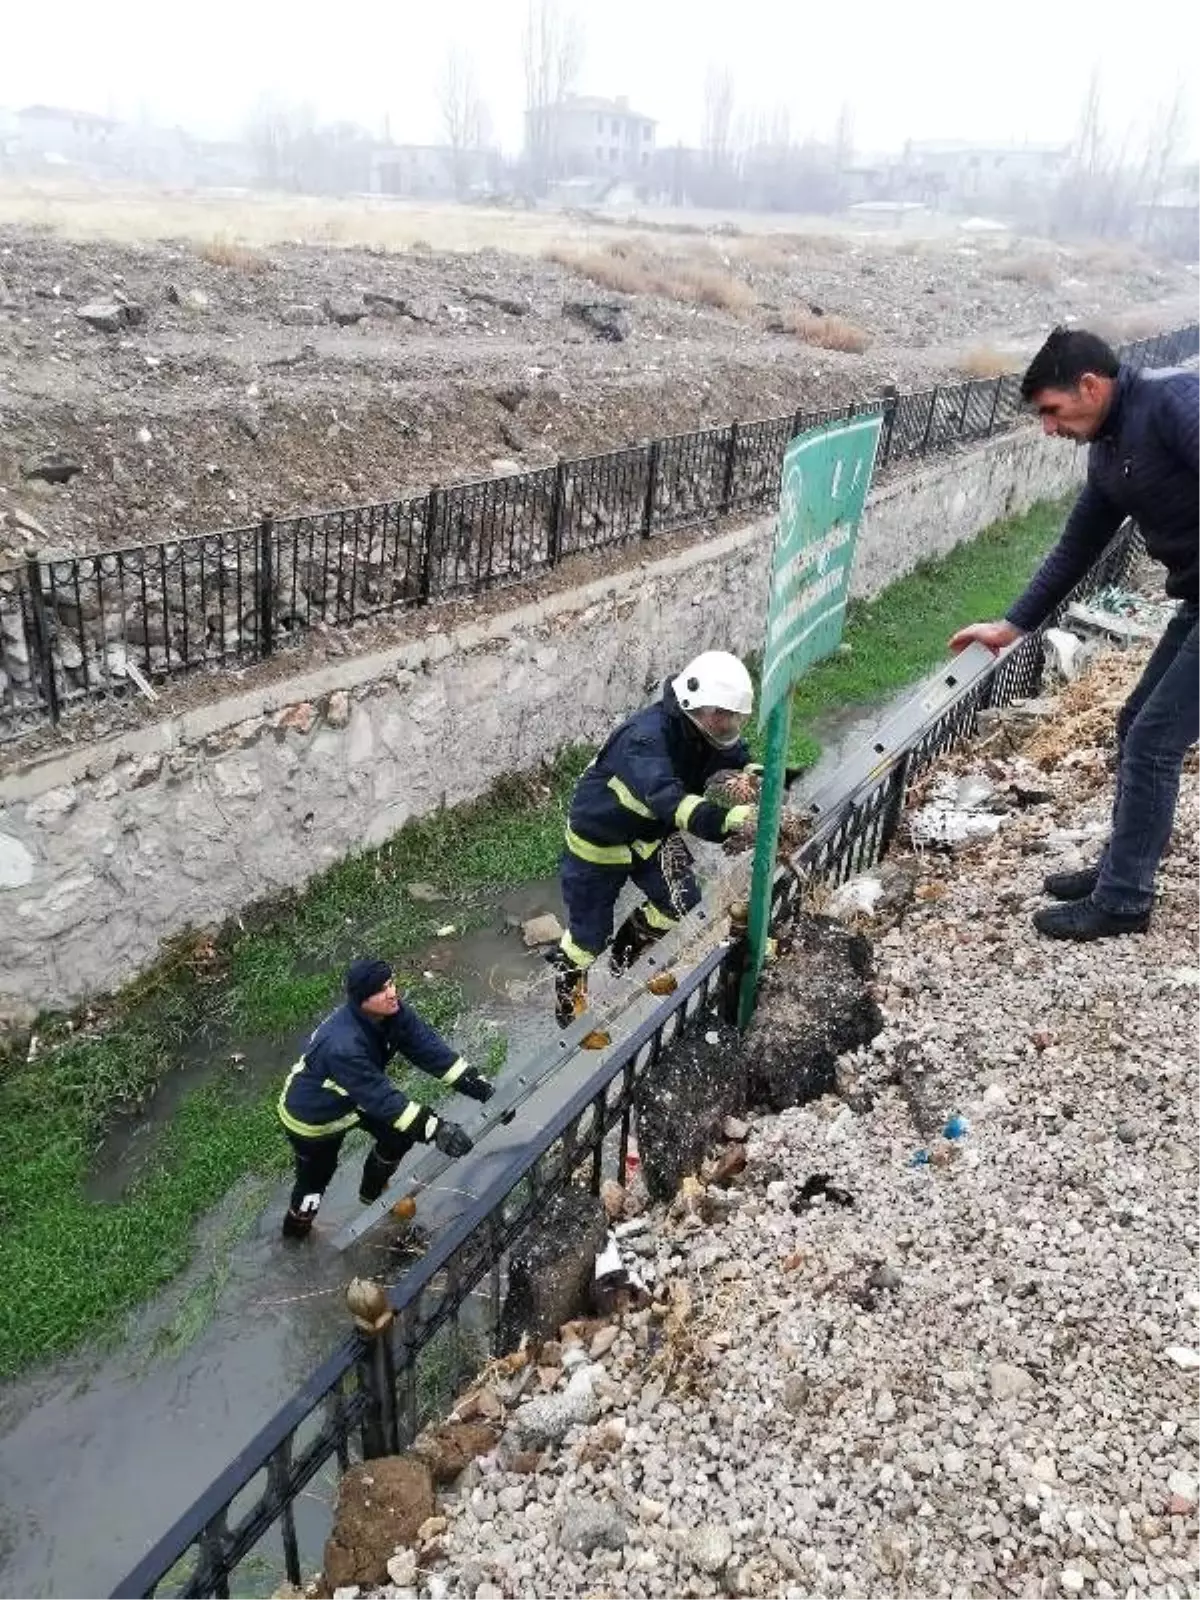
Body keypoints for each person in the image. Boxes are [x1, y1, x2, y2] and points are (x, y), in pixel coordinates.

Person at [949, 325, 1200, 941]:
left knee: (1153, 742)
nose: (1049, 427)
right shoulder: (1109, 448)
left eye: (1052, 411)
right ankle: (1125, 866)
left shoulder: (1173, 405)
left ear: (1090, 386)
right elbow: (1079, 543)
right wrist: (1013, 625)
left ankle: (1124, 900)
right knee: (1134, 724)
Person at [549, 650, 758, 1026]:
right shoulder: (645, 740)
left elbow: (728, 752)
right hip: (600, 844)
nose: (727, 724)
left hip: (649, 837)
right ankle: (569, 1008)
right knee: (587, 938)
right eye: (722, 716)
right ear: (697, 704)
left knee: (682, 901)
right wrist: (728, 820)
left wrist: (749, 768)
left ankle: (626, 958)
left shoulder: (699, 729)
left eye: (733, 718)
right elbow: (671, 802)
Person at [277, 958, 492, 1239]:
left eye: (391, 983)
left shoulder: (393, 1013)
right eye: (381, 990)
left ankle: (373, 1195)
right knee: (313, 1187)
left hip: (355, 1098)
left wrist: (479, 1087)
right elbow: (383, 1100)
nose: (392, 993)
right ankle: (296, 1240)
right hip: (313, 1118)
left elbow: (428, 1050)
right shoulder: (342, 1045)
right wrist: (438, 1130)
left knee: (398, 1137)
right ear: (361, 1000)